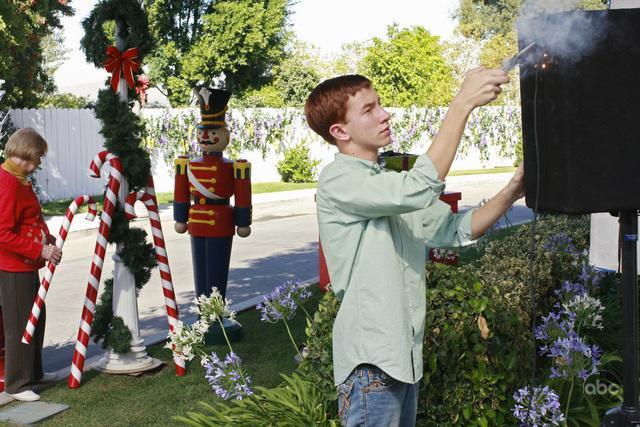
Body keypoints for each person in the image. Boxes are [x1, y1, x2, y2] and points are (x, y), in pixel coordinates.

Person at [305, 69, 524, 426]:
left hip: (402, 359)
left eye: (380, 105)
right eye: (369, 109)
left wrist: (513, 190)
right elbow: (419, 187)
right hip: (371, 364)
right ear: (340, 132)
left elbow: (455, 230)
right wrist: (462, 104)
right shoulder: (338, 180)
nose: (384, 114)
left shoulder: (388, 186)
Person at [0, 128, 60, 401]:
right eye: (36, 158)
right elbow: (3, 232)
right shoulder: (8, 182)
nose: (37, 165)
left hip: (28, 263)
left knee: (36, 316)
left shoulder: (19, 178)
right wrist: (40, 249)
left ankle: (34, 373)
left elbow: (31, 217)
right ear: (23, 154)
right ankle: (16, 384)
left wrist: (47, 238)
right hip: (13, 266)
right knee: (20, 324)